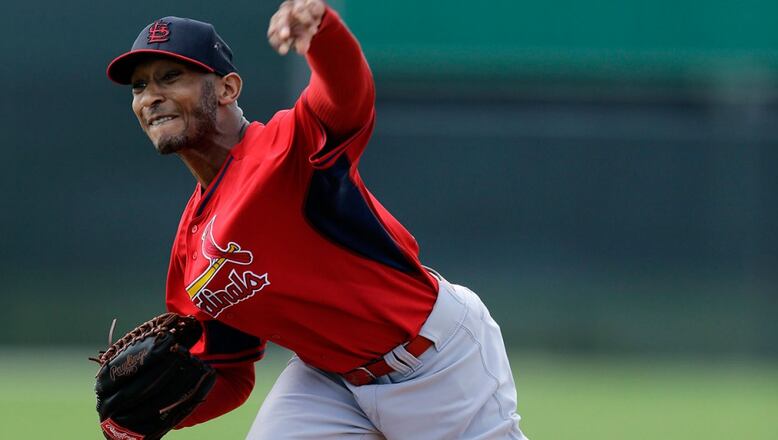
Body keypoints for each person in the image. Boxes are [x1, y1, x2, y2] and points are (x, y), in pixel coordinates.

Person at [106, 1, 527, 438]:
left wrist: (323, 32)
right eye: (139, 86)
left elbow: (346, 96)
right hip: (330, 381)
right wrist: (142, 418)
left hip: (436, 358)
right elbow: (227, 372)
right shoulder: (191, 250)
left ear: (227, 88)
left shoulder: (287, 150)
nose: (151, 96)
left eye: (171, 77)